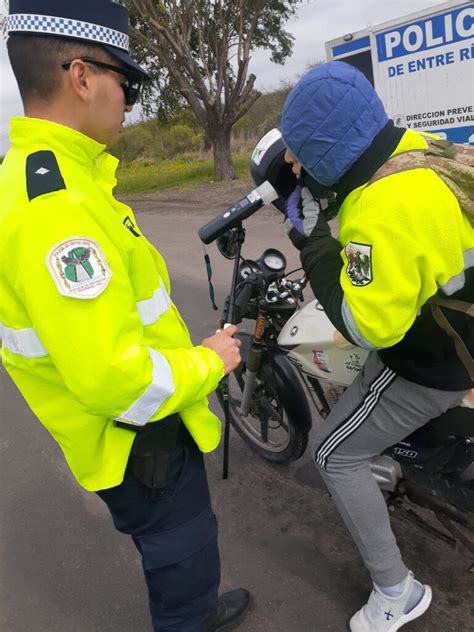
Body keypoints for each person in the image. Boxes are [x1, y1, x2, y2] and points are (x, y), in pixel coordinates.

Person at [0, 1, 251, 630]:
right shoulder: (57, 206)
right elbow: (115, 379)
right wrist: (207, 362)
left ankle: (192, 606)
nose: (130, 102)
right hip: (139, 440)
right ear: (81, 76)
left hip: (132, 433)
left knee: (176, 554)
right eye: (128, 83)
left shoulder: (57, 179)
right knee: (182, 555)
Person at [280, 61, 473, 631]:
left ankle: (397, 592)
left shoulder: (382, 210)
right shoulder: (430, 151)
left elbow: (369, 329)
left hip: (434, 363)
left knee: (334, 456)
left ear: (324, 147)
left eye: (299, 151)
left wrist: (314, 243)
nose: (293, 163)